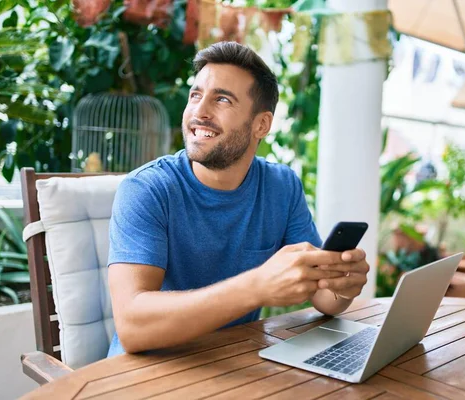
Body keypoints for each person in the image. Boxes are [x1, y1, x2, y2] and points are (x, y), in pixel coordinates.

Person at [107, 41, 370, 356]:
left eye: (221, 99)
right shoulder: (148, 189)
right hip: (146, 372)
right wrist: (258, 285)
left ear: (262, 124)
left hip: (232, 361)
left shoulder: (281, 187)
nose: (199, 112)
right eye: (195, 95)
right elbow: (132, 327)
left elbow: (324, 297)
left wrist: (342, 288)